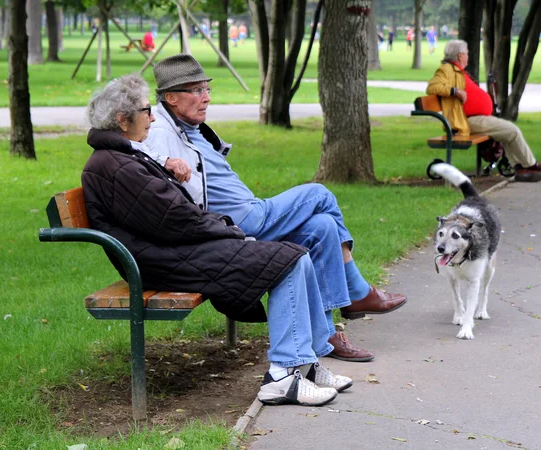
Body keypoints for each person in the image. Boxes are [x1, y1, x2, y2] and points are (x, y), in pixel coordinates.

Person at [82, 74, 352, 407]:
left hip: (174, 251)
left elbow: (170, 213)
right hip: (161, 261)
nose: (152, 117)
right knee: (289, 260)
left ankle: (306, 365)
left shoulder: (122, 156)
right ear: (123, 120)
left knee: (297, 255)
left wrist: (214, 220)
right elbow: (173, 219)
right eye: (146, 110)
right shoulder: (115, 165)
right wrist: (229, 230)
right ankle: (282, 376)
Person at [142, 55, 407, 363]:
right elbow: (137, 152)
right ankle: (357, 292)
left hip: (248, 211)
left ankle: (327, 335)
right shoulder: (161, 129)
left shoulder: (188, 124)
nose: (207, 97)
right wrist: (165, 162)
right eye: (197, 90)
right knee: (320, 194)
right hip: (240, 221)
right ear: (171, 97)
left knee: (323, 227)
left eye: (207, 89)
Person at [426, 40, 541, 183]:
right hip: (465, 121)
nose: (468, 56)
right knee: (512, 131)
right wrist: (455, 91)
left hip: (475, 118)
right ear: (460, 55)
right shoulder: (446, 69)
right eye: (467, 53)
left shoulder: (457, 70)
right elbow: (432, 87)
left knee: (508, 132)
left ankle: (520, 167)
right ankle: (532, 166)